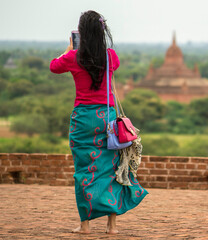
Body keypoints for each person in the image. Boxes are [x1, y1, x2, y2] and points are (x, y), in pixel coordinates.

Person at [50, 10, 148, 234]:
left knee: (84, 170)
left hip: (83, 119)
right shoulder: (110, 56)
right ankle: (112, 226)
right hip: (107, 119)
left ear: (81, 33)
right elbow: (114, 66)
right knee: (112, 168)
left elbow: (53, 67)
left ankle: (85, 224)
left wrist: (70, 48)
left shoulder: (73, 58)